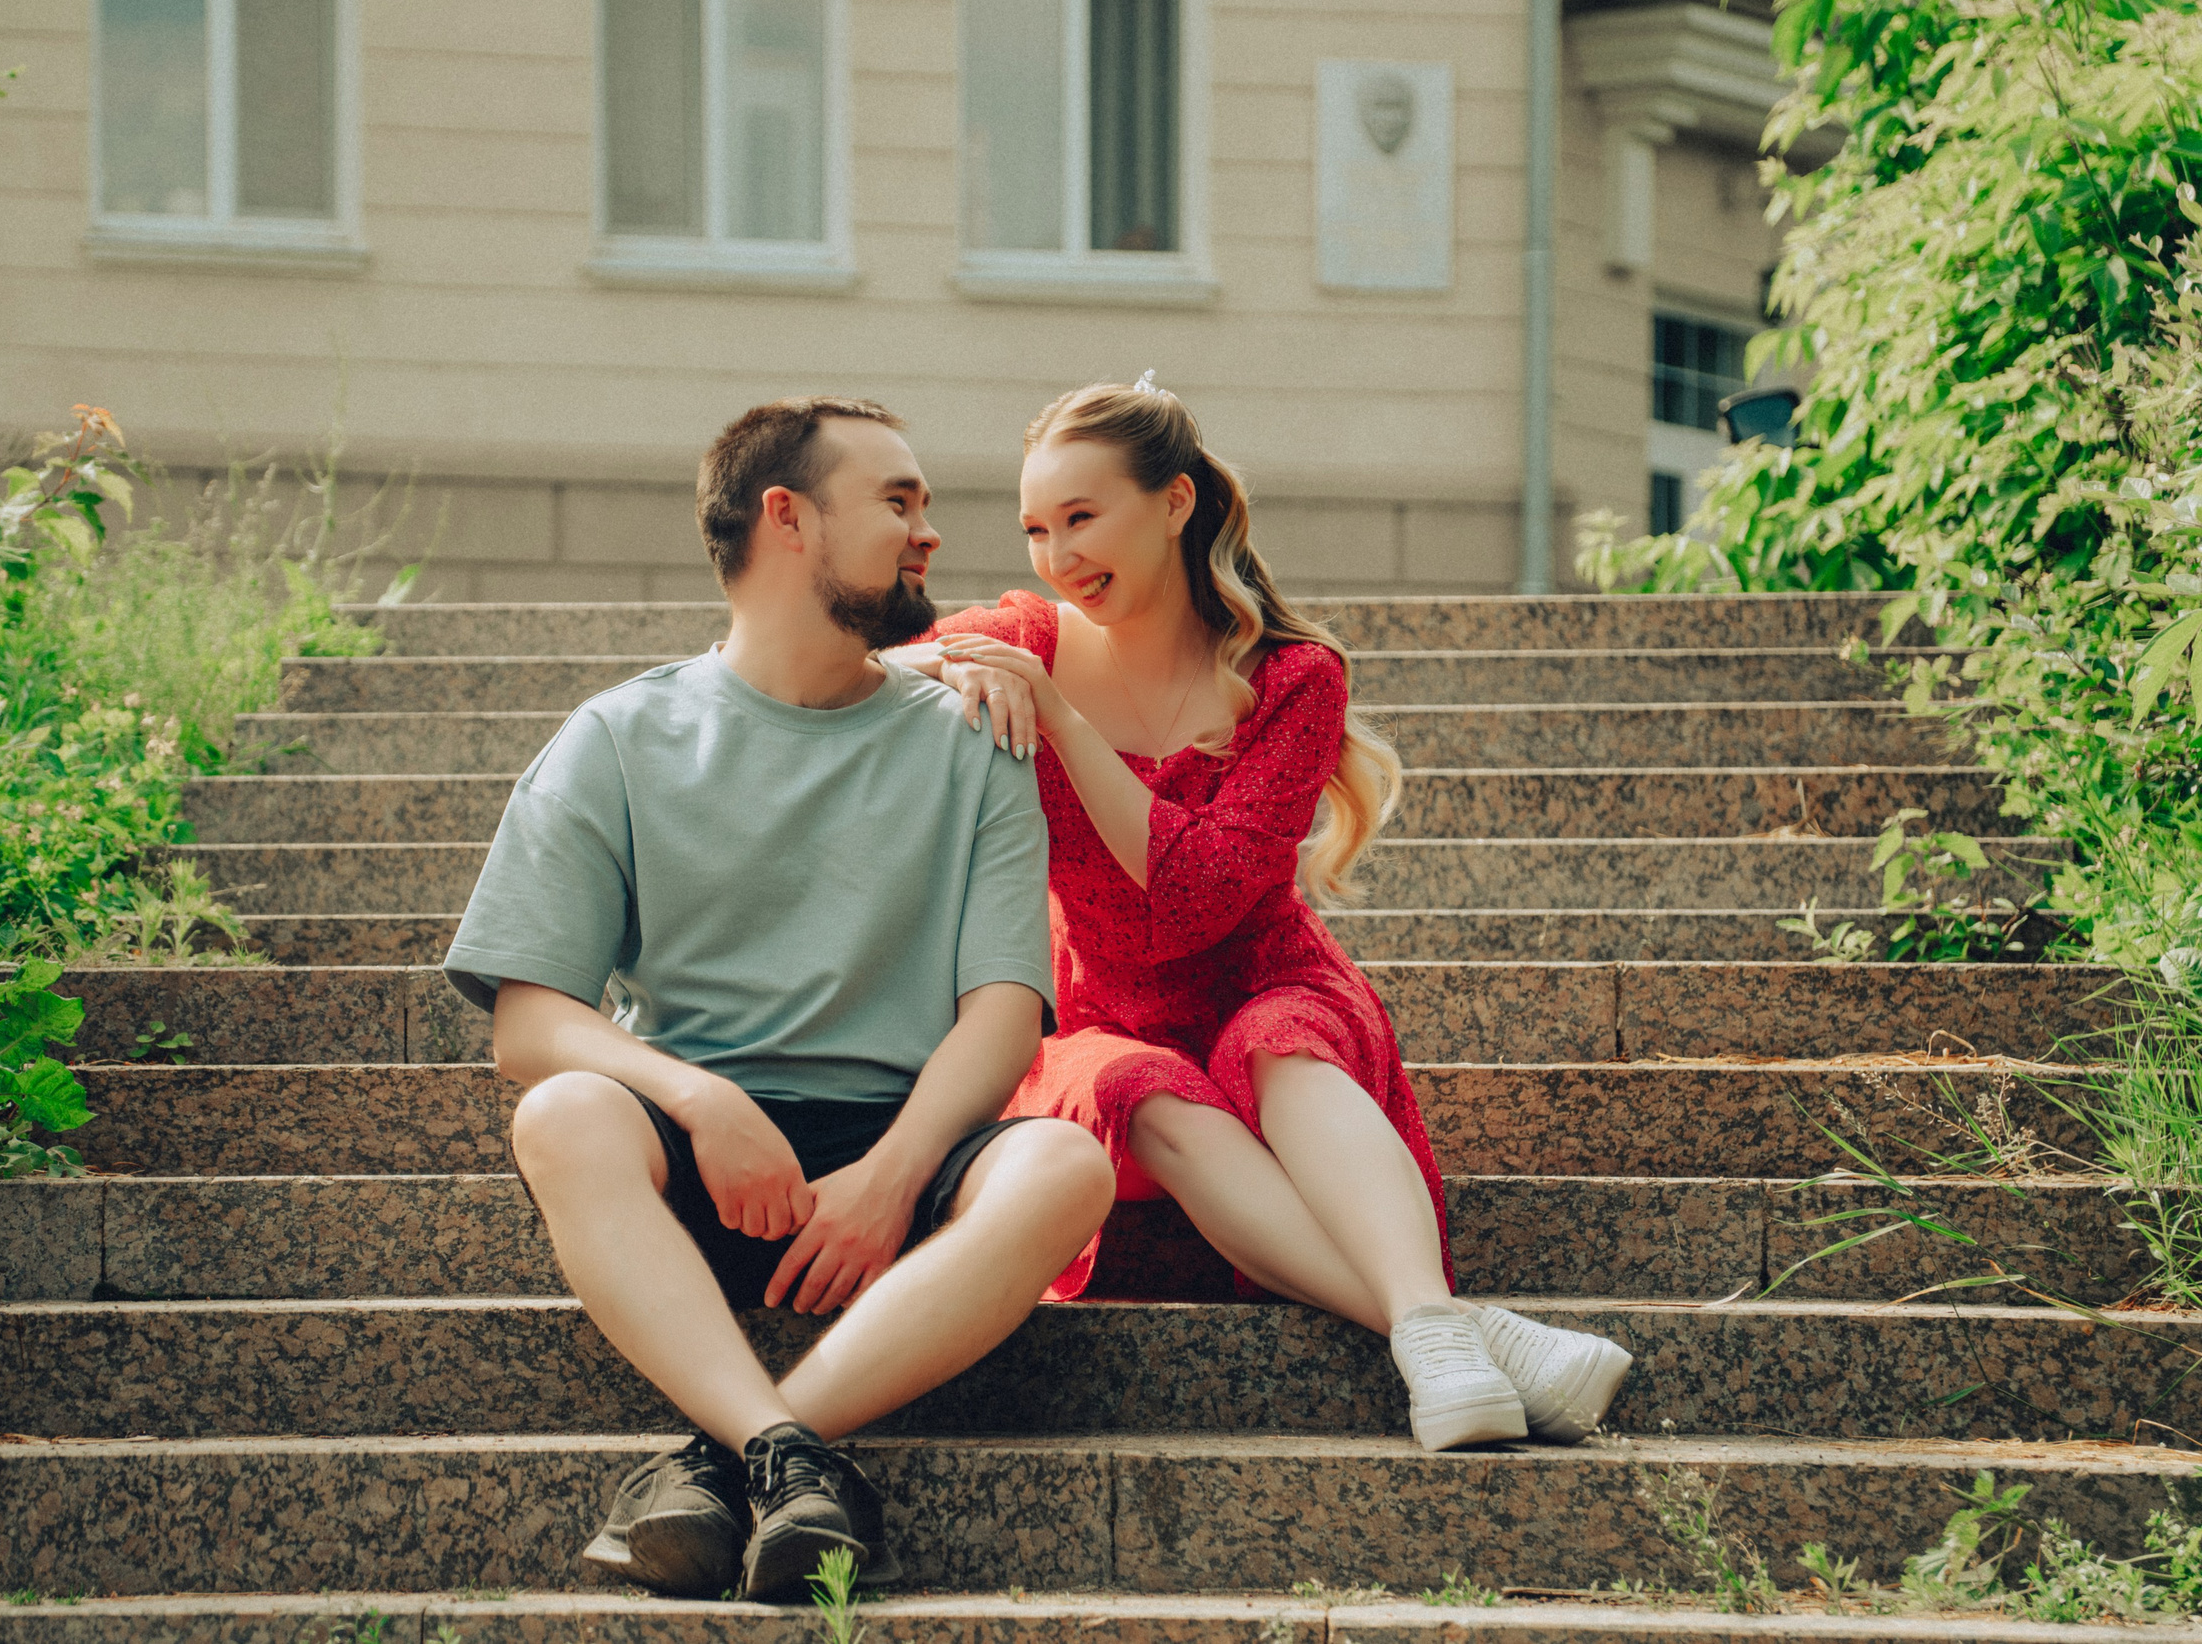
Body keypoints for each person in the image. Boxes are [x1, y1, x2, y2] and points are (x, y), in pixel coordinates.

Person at [442, 396, 1115, 1602]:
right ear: (787, 518)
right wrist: (697, 1099)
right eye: (897, 502)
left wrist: (896, 1174)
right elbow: (529, 1022)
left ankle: (738, 1453)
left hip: (900, 1161)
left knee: (1066, 1168)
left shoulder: (974, 736)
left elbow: (1006, 1009)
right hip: (702, 1163)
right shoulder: (618, 737)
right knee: (561, 1114)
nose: (930, 534)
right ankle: (792, 1464)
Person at [886, 377, 1631, 1453]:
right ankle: (1442, 1331)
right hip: (1097, 1011)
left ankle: (1436, 1339)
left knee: (1276, 1045)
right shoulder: (1024, 634)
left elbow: (1192, 895)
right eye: (1035, 529)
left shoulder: (1292, 677)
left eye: (1082, 518)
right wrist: (934, 662)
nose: (1055, 557)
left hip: (1263, 981)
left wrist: (1055, 715)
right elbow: (854, 681)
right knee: (1139, 1083)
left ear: (1176, 501)